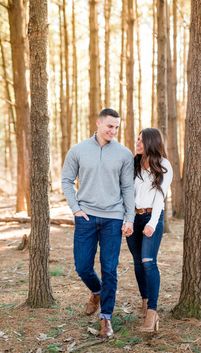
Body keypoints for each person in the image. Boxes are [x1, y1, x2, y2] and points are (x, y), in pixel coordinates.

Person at [61, 108, 134, 338]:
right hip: (86, 217)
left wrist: (129, 217)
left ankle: (106, 318)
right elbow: (66, 180)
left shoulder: (124, 154)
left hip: (113, 217)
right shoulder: (78, 150)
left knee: (110, 269)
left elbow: (127, 188)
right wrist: (76, 208)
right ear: (98, 123)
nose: (113, 130)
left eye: (116, 127)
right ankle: (96, 291)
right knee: (82, 265)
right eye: (109, 126)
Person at [124, 128, 173, 333]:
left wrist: (152, 223)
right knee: (137, 261)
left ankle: (152, 312)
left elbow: (160, 198)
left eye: (141, 140)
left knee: (148, 262)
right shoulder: (133, 163)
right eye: (136, 140)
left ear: (151, 142)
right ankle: (144, 301)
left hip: (152, 216)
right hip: (133, 218)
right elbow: (126, 193)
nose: (137, 143)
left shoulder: (163, 165)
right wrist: (127, 220)